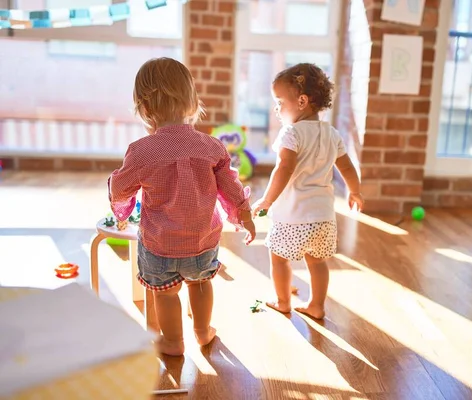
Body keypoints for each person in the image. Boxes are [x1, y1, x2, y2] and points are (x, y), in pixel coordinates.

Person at [109, 57, 255, 356]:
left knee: (165, 294)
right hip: (202, 241)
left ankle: (174, 342)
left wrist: (117, 190)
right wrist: (245, 213)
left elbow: (120, 189)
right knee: (200, 284)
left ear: (145, 109)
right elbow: (230, 185)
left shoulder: (141, 151)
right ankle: (203, 332)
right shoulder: (211, 146)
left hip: (159, 245)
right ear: (191, 101)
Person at [251, 63, 363, 319]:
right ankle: (316, 306)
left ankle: (282, 301)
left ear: (301, 101)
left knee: (279, 259)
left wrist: (267, 200)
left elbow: (284, 168)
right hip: (323, 218)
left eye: (279, 102)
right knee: (317, 262)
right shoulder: (332, 133)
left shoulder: (291, 133)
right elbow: (346, 166)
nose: (276, 109)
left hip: (293, 215)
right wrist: (355, 191)